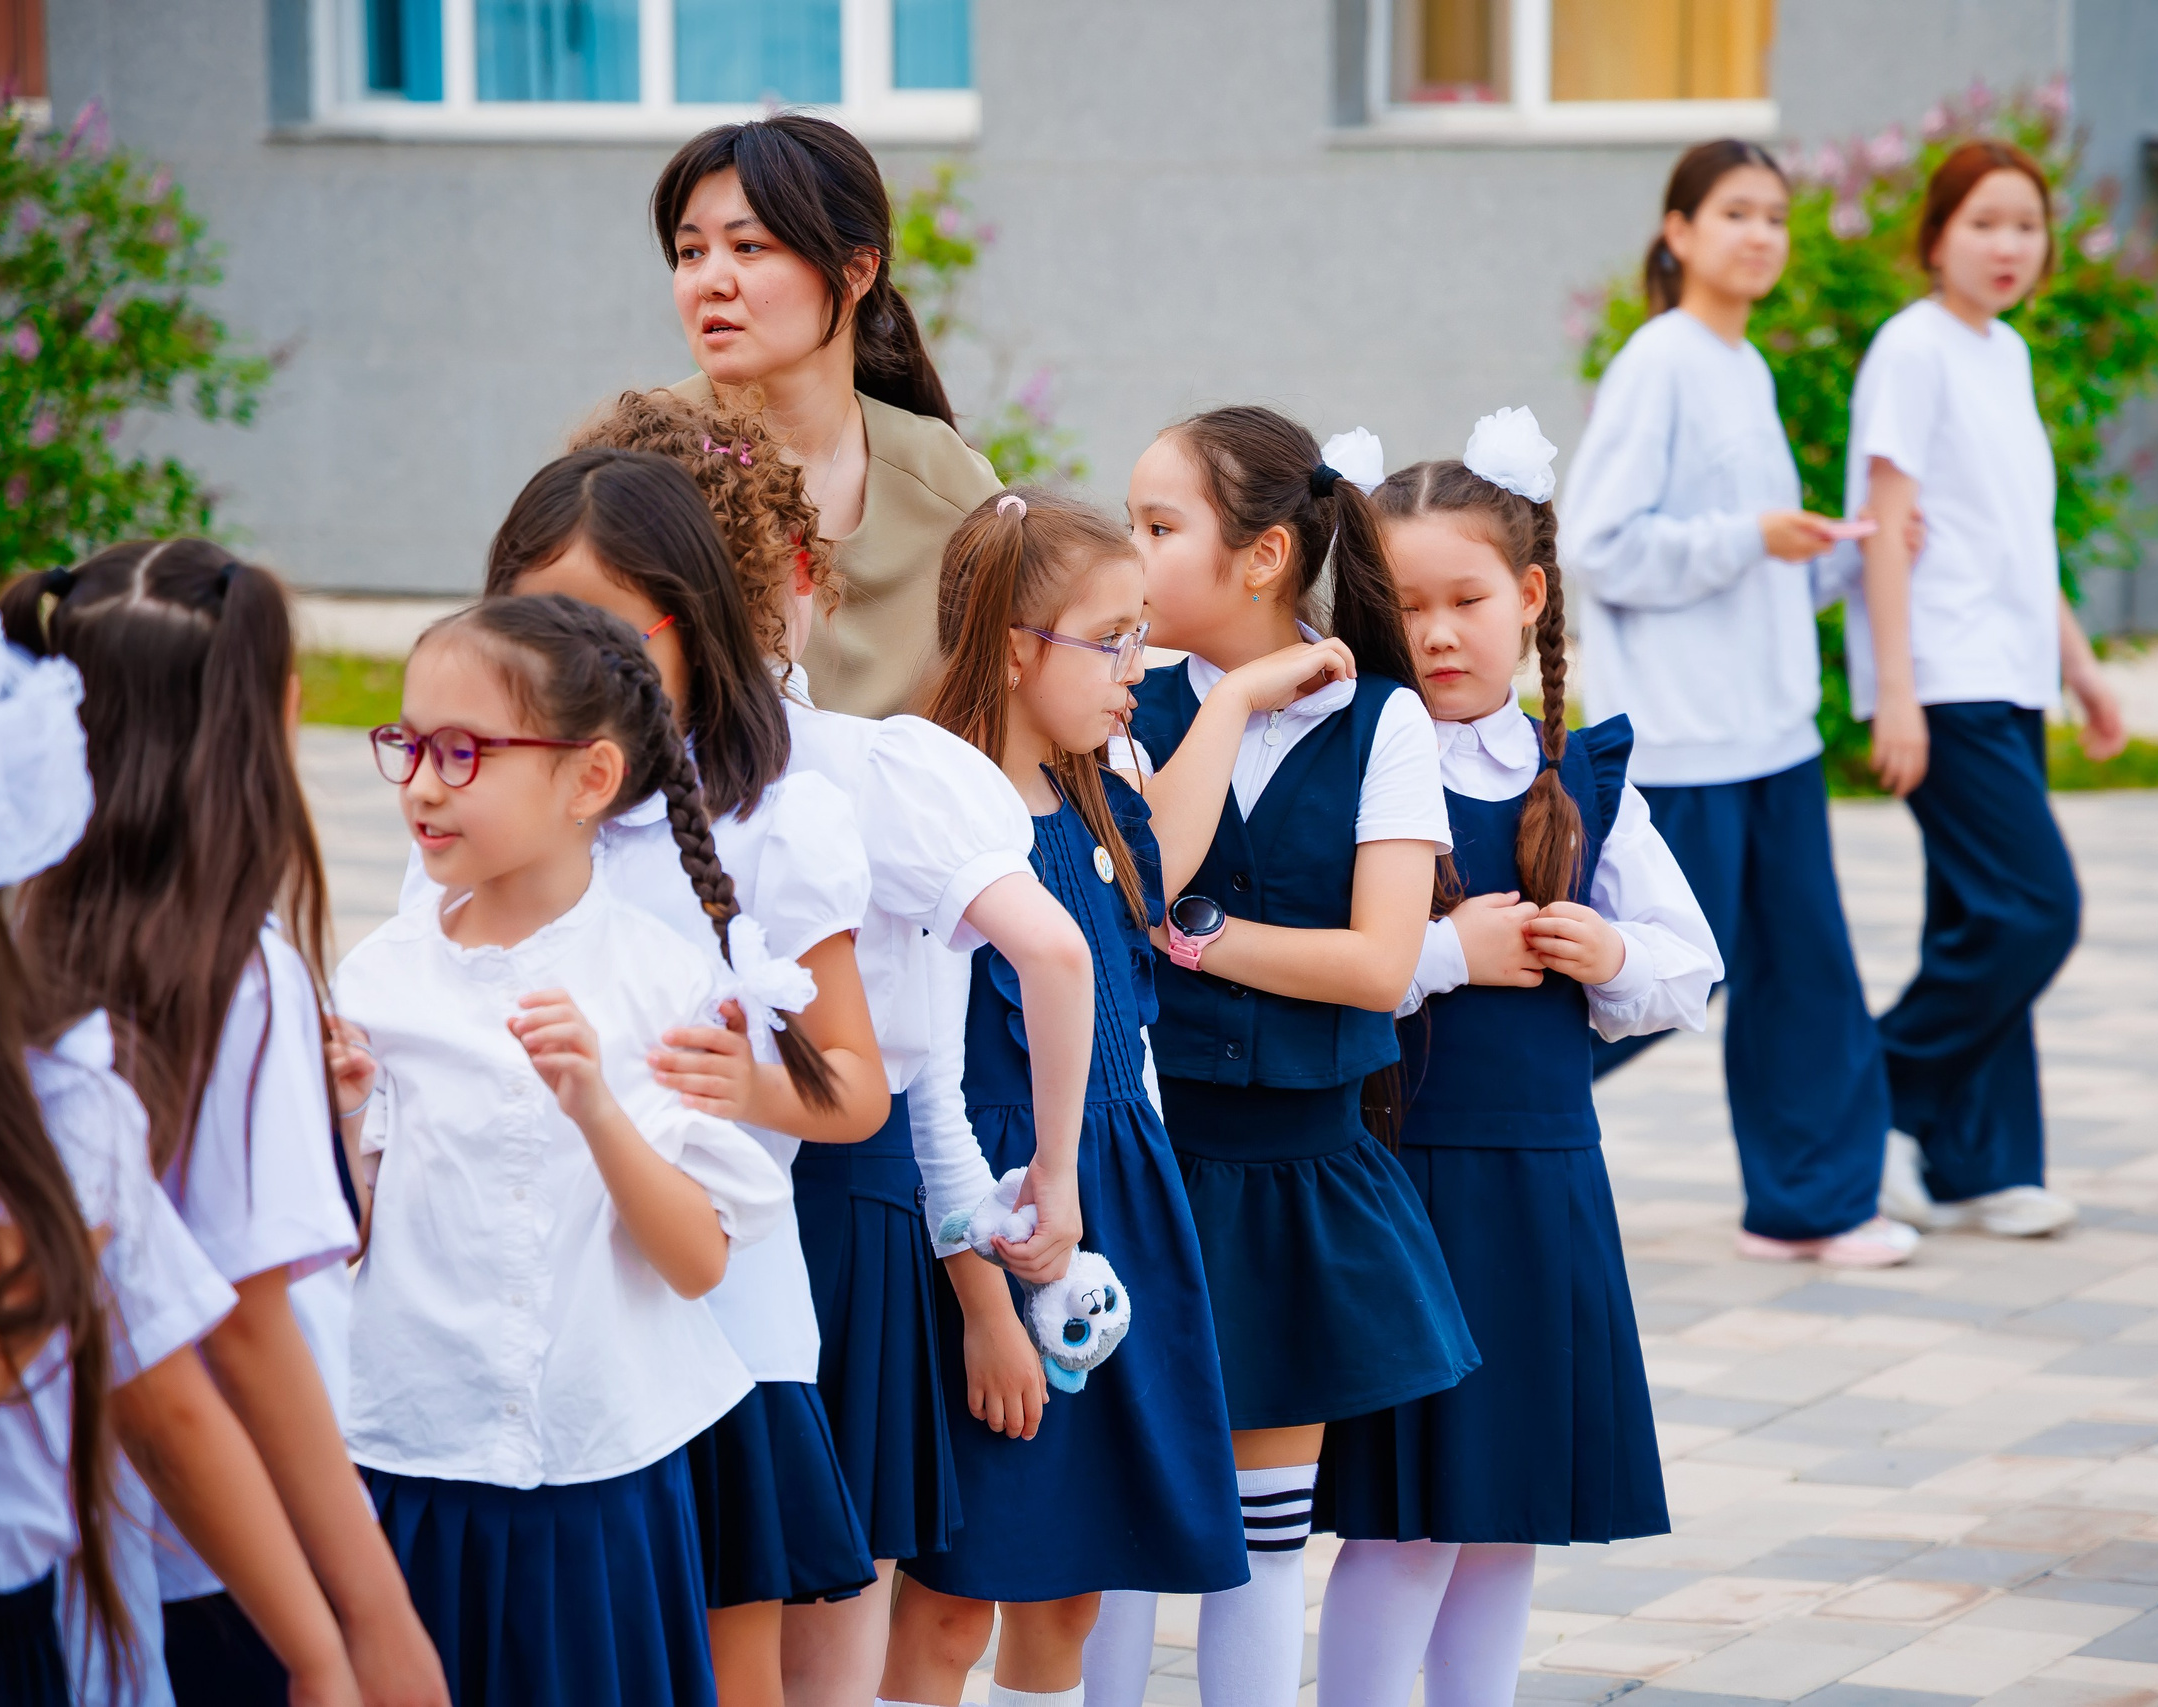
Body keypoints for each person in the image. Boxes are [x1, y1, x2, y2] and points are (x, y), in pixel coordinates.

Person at [550, 391, 1100, 1707]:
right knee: (761, 1575)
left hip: (820, 1197)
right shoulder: (581, 777)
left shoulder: (846, 776)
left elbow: (967, 1022)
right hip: (678, 1199)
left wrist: (1027, 1201)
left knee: (791, 1556)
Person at [441, 450, 892, 1707]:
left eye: (604, 632)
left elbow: (855, 1090)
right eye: (535, 630)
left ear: (690, 622)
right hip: (538, 1306)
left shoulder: (774, 824)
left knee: (722, 1657)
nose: (572, 668)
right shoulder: (505, 804)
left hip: (721, 1314)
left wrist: (743, 1088)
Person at [1312, 417, 1720, 1707]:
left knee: (1503, 1514)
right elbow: (1318, 957)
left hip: (1541, 1185)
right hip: (1397, 1184)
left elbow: (1689, 967)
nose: (1435, 633)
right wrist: (1440, 950)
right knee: (1405, 1515)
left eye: (1466, 600)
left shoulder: (1585, 778)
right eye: (1407, 604)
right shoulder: (1347, 763)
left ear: (1529, 595)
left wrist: (1606, 953)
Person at [331, 595, 802, 1705]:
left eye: (464, 752)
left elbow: (698, 1263)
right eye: (408, 746)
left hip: (598, 1467)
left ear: (589, 780)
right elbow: (347, 1238)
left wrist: (596, 1104)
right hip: (410, 1456)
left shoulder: (663, 984)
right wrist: (347, 1122)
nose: (422, 785)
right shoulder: (379, 978)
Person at [0, 543, 447, 1707]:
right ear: (264, 722)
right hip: (236, 1546)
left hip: (73, 1532)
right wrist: (371, 1621)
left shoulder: (2, 928)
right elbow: (247, 1328)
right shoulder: (235, 974)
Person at [0, 569, 360, 1707]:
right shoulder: (199, 997)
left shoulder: (53, 1055)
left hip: (28, 1602)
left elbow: (149, 1376)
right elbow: (214, 1361)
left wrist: (334, 1643)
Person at [1095, 407, 1479, 1707]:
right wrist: (1246, 696)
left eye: (1159, 526)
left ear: (1263, 556)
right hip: (1141, 1160)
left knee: (1263, 1537)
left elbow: (1379, 963)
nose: (1130, 548)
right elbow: (1151, 863)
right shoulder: (1119, 698)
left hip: (1296, 1170)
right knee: (1119, 1520)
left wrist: (1191, 943)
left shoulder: (1388, 723)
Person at [879, 492, 1246, 1707]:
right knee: (949, 1600)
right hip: (992, 1227)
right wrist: (984, 1302)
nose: (1136, 670)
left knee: (1073, 1590)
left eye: (1143, 635)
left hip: (1113, 1210)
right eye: (1111, 640)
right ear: (1014, 644)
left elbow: (1125, 1039)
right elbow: (930, 1089)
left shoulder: (1103, 797)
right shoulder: (937, 815)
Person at [1559, 140, 1922, 1269]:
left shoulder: (1741, 364)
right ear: (1677, 233)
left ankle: (1810, 1206)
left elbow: (1738, 560)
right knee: (1663, 970)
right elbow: (1599, 546)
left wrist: (1834, 555)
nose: (1759, 233)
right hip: (1686, 740)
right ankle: (1446, 1111)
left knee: (1802, 978)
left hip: (1773, 733)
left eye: (1774, 215)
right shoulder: (1660, 362)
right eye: (1734, 212)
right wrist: (1750, 537)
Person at [1846, 139, 2126, 1238]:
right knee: (2033, 910)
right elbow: (1883, 529)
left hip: (2008, 675)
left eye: (2026, 225)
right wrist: (1898, 694)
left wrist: (2080, 665)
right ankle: (1873, 1098)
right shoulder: (1910, 351)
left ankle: (1978, 1164)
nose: (2009, 246)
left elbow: (2021, 540)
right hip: (1945, 679)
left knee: (1975, 916)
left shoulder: (2000, 353)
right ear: (1935, 238)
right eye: (1984, 223)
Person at [651, 115, 1002, 716]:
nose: (709, 280)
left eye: (749, 247)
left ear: (857, 271)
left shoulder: (950, 485)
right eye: (690, 252)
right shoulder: (639, 462)